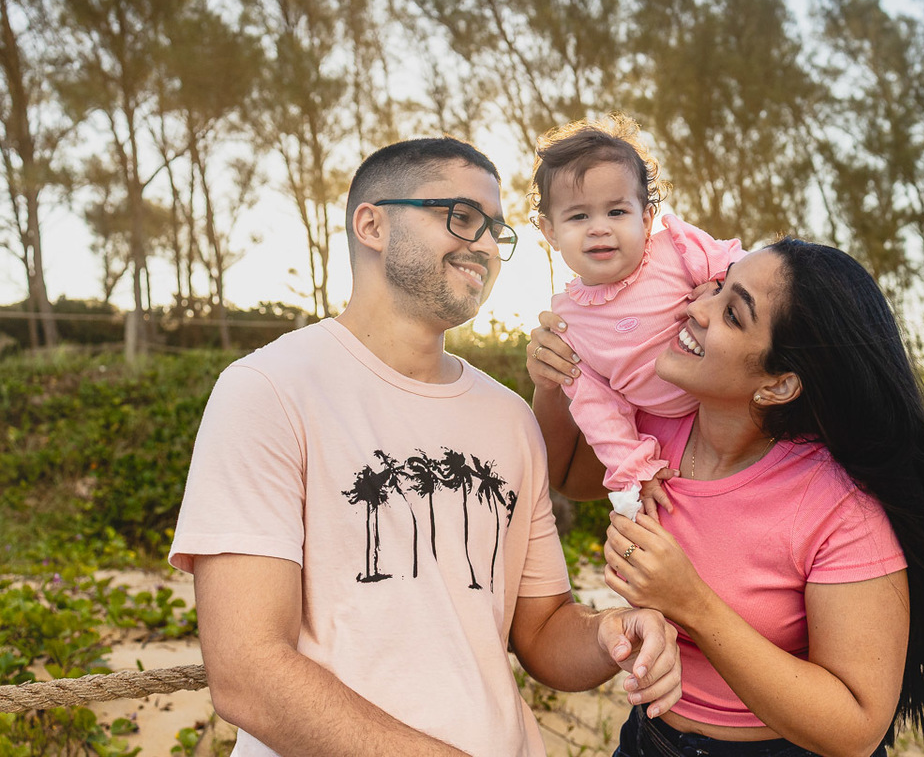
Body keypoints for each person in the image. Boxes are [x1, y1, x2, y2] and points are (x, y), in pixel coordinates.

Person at [168, 137, 682, 757]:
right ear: (372, 224)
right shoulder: (267, 390)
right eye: (462, 217)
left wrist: (612, 634)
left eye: (497, 230)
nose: (487, 245)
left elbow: (542, 631)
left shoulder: (509, 418)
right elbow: (248, 675)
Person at [528, 240, 924, 756]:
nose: (695, 306)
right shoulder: (654, 427)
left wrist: (691, 604)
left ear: (779, 384)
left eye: (733, 313)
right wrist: (554, 384)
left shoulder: (839, 505)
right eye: (713, 286)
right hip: (650, 740)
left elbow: (856, 729)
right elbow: (572, 475)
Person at [530, 113, 744, 520]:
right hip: (671, 430)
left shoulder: (676, 250)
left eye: (616, 212)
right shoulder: (569, 323)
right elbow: (598, 408)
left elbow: (747, 270)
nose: (599, 229)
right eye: (578, 216)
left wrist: (721, 283)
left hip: (738, 397)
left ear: (645, 219)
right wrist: (634, 469)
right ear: (550, 231)